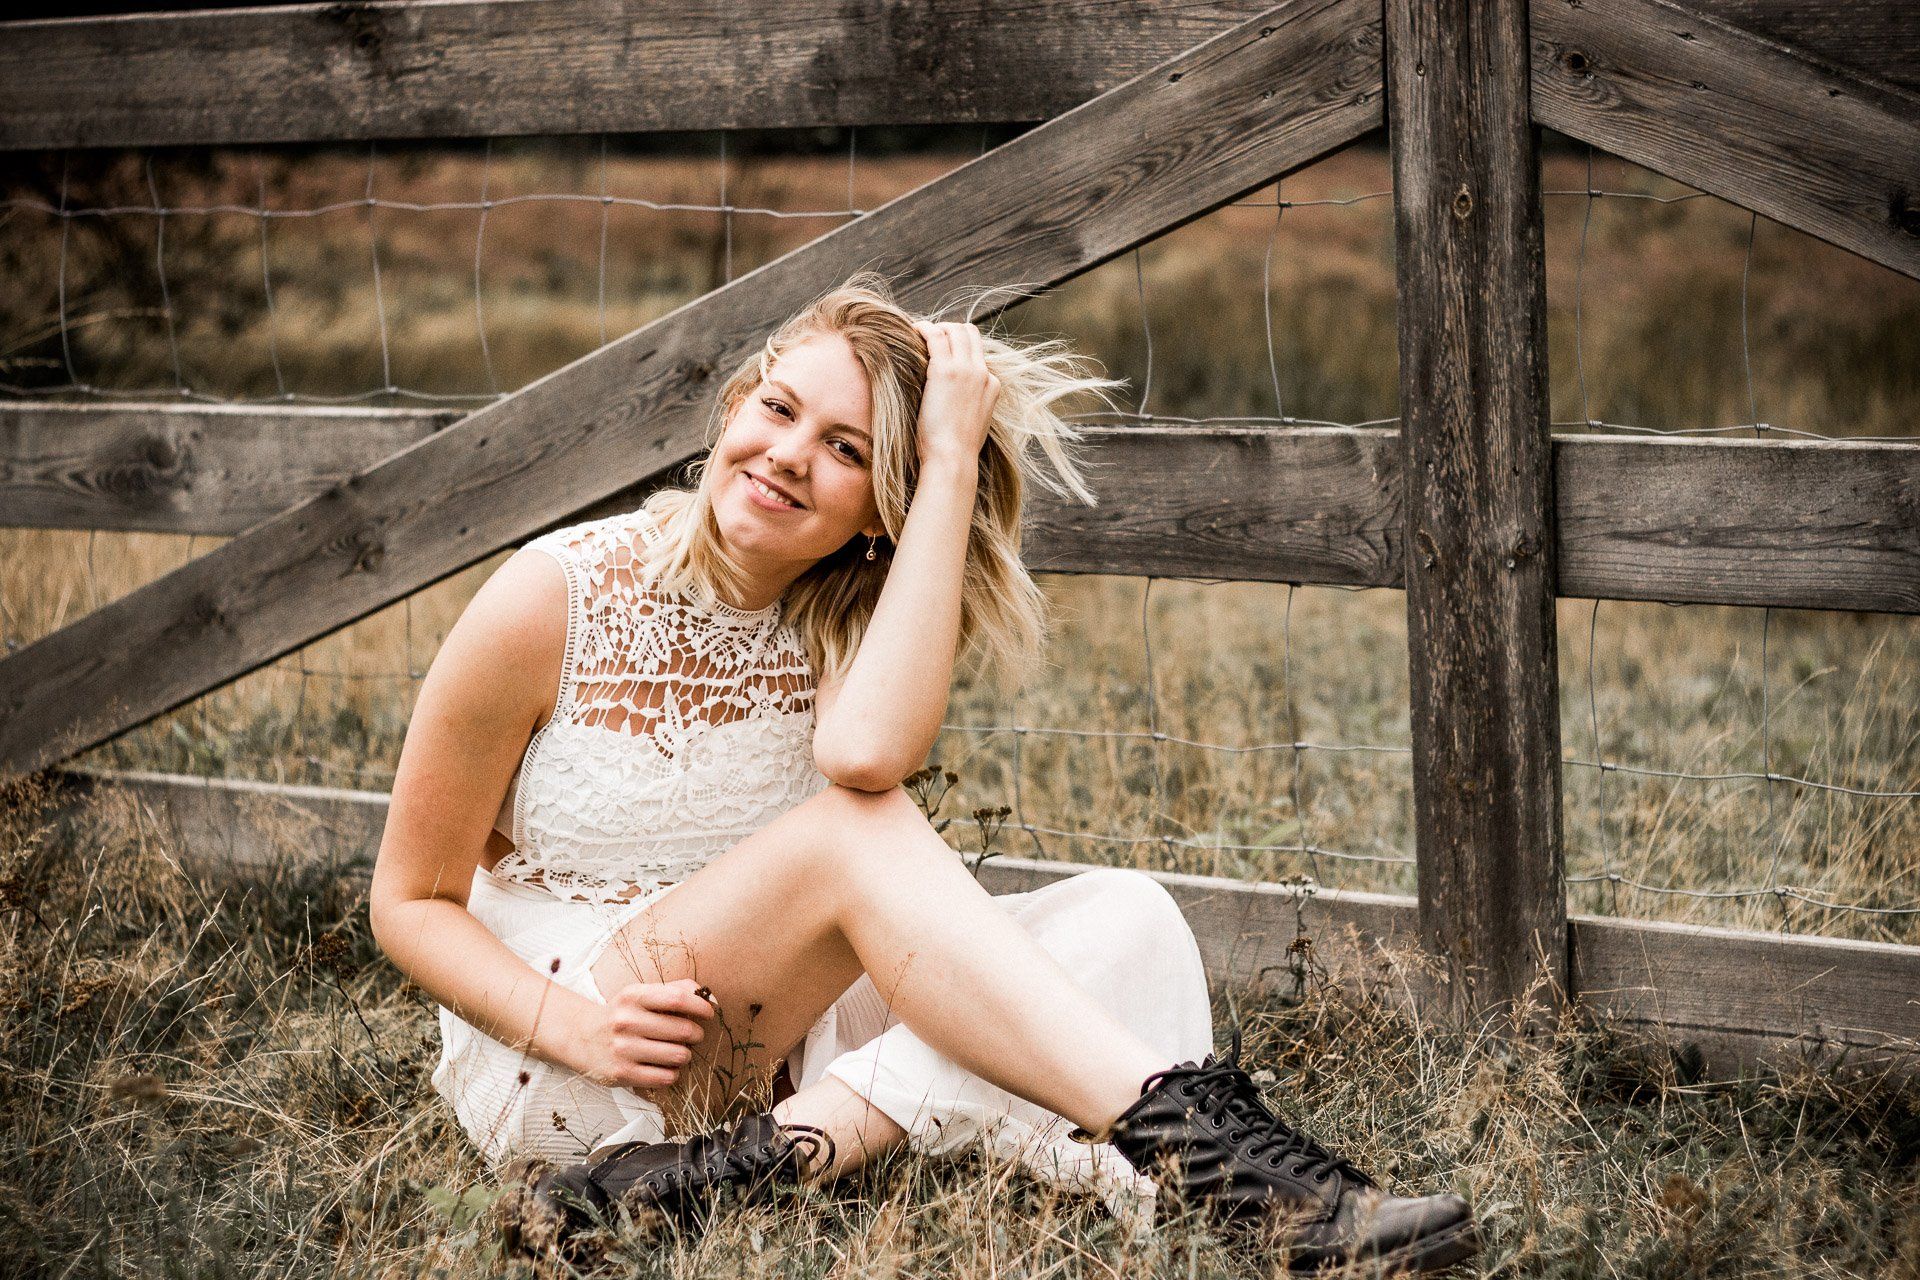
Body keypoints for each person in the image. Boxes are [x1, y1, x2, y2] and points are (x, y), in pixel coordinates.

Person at [368, 272, 1478, 1272]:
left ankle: (734, 1168)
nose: (790, 455)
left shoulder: (842, 621)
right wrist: (574, 1028)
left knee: (1130, 916)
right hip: (583, 1050)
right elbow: (408, 900)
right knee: (860, 834)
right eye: (779, 409)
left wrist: (949, 463)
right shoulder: (552, 595)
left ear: (879, 514)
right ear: (734, 408)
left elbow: (864, 753)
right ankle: (1238, 1171)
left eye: (848, 451)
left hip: (766, 1048)